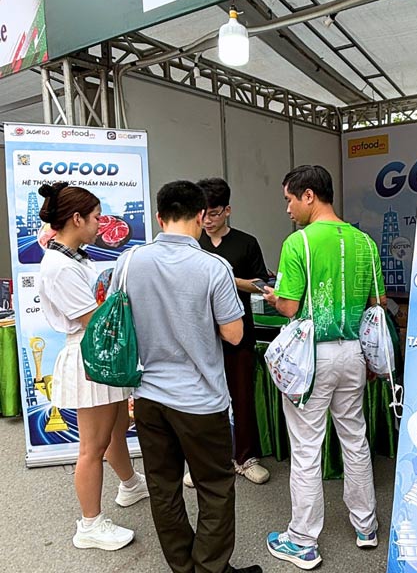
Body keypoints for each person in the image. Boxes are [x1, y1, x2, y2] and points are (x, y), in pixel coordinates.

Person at [109, 180, 261, 573]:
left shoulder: (129, 261)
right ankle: (209, 568)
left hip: (148, 396)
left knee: (163, 487)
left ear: (160, 218)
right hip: (200, 400)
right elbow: (234, 334)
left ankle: (183, 566)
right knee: (215, 487)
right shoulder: (214, 267)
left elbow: (118, 318)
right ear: (200, 215)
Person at [263, 165, 386, 570]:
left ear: (309, 196)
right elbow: (378, 304)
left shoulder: (298, 242)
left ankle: (303, 540)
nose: (287, 209)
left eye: (289, 199)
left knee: (306, 449)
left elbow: (289, 306)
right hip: (354, 352)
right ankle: (366, 526)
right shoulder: (365, 242)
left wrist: (274, 297)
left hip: (311, 357)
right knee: (355, 439)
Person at [38, 182, 148, 552]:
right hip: (90, 354)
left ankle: (130, 485)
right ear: (76, 218)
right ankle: (90, 524)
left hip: (101, 352)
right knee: (92, 446)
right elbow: (93, 319)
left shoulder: (74, 258)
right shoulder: (59, 266)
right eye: (97, 217)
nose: (102, 224)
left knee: (117, 428)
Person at [182, 177, 269, 486]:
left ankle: (245, 458)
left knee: (241, 395)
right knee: (202, 399)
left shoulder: (246, 243)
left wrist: (228, 278)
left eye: (214, 213)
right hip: (200, 334)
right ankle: (207, 461)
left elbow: (262, 284)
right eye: (202, 213)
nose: (207, 220)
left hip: (238, 331)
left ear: (227, 210)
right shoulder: (192, 244)